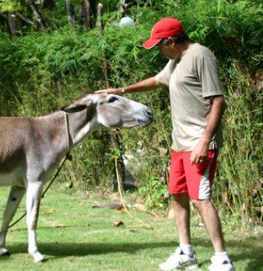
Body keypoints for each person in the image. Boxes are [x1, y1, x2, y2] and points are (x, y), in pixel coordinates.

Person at [96, 18, 235, 271]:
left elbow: (218, 102)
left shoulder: (201, 55)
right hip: (179, 145)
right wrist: (121, 90)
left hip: (198, 144)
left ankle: (222, 258)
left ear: (171, 41)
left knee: (200, 198)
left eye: (159, 46)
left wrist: (205, 142)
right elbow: (156, 81)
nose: (158, 51)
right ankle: (186, 252)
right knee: (178, 196)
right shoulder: (175, 61)